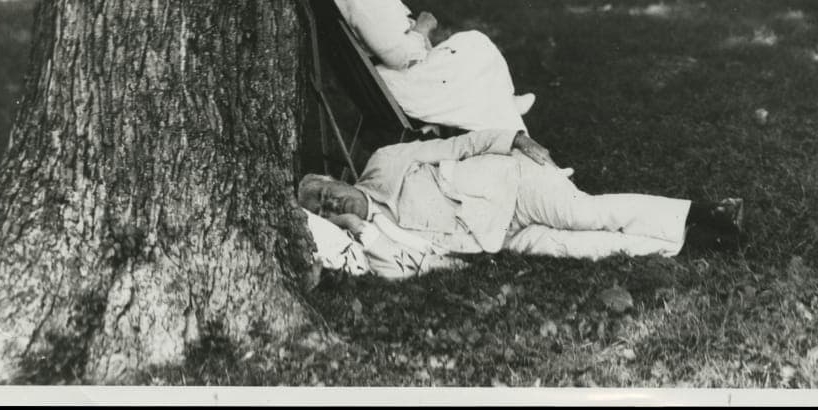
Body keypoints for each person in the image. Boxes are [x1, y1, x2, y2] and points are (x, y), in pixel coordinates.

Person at [298, 129, 744, 280]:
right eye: (321, 210)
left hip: (509, 182)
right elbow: (409, 266)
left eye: (321, 191)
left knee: (582, 213)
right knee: (581, 247)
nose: (328, 201)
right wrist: (360, 228)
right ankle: (694, 242)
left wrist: (516, 138)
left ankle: (701, 212)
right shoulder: (378, 239)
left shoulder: (385, 162)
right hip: (497, 237)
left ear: (333, 177)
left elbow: (460, 144)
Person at [314, 0, 534, 132]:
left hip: (400, 76)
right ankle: (504, 109)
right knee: (475, 44)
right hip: (402, 85)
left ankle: (504, 103)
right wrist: (421, 28)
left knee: (473, 43)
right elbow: (398, 56)